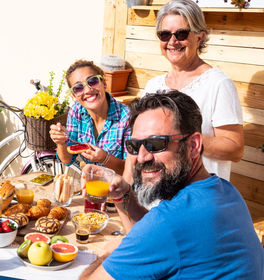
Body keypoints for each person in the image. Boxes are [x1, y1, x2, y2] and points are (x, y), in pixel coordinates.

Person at [80, 91, 264, 280]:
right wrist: (123, 195)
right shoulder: (225, 191)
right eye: (134, 146)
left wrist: (116, 252)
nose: (142, 157)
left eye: (156, 143)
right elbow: (156, 236)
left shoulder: (169, 224)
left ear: (193, 145)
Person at [143, 0, 244, 180]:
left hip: (200, 198)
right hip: (158, 199)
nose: (172, 41)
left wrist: (179, 139)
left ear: (200, 37)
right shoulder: (153, 86)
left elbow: (234, 149)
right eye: (165, 34)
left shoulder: (218, 84)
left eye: (181, 34)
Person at [49, 59, 131, 175]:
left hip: (121, 190)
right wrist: (61, 143)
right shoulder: (76, 111)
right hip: (92, 188)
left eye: (92, 81)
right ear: (74, 96)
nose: (88, 90)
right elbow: (67, 160)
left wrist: (105, 158)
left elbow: (133, 171)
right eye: (78, 88)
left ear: (104, 83)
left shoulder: (127, 117)